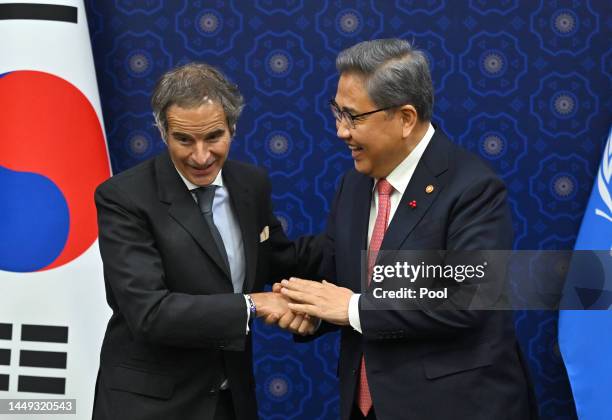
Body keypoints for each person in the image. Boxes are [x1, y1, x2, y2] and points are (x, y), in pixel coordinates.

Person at [280, 39, 538, 420]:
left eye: (354, 117)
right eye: (337, 112)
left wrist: (351, 308)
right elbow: (338, 273)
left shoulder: (472, 189)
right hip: (366, 406)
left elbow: (465, 301)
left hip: (454, 407)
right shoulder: (353, 184)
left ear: (405, 118)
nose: (340, 131)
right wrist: (301, 306)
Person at [92, 63, 318, 420]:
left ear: (233, 128)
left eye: (213, 137)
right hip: (150, 407)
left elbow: (279, 259)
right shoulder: (124, 198)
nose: (200, 156)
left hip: (231, 402)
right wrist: (252, 305)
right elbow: (150, 313)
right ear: (163, 132)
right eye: (184, 139)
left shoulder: (251, 185)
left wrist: (360, 252)